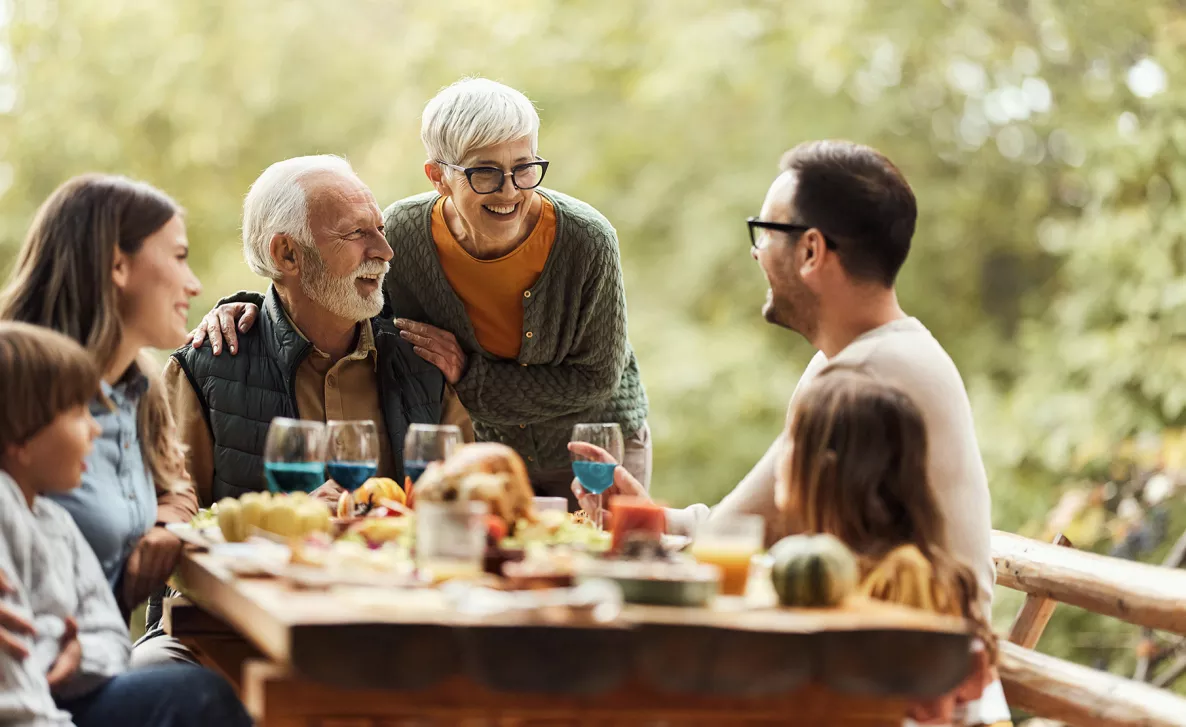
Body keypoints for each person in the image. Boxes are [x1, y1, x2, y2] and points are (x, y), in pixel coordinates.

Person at [572, 140, 995, 618]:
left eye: (764, 232)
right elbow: (750, 523)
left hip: (915, 664)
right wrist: (648, 520)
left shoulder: (868, 375)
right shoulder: (855, 358)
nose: (756, 254)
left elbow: (761, 533)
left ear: (812, 250)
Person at [190, 78, 651, 506]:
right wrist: (247, 307)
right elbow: (338, 289)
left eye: (525, 167)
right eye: (485, 172)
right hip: (482, 452)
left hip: (595, 450)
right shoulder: (406, 235)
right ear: (438, 176)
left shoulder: (587, 239)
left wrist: (470, 376)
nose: (510, 189)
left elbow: (595, 379)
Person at [165, 154, 472, 510]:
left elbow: (462, 507)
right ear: (287, 254)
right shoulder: (202, 371)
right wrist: (287, 521)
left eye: (380, 229)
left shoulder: (426, 364)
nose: (385, 252)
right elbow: (176, 521)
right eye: (356, 233)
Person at [0, 321, 252, 727]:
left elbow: (110, 633)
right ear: (21, 438)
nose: (97, 428)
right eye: (78, 412)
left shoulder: (56, 524)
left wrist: (84, 652)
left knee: (201, 693)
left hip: (64, 696)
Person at [0, 175, 201, 665]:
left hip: (95, 662)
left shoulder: (141, 390)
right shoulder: (14, 384)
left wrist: (164, 526)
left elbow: (177, 484)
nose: (193, 283)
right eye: (178, 256)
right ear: (117, 264)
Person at [777, 369, 1007, 725]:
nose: (780, 457)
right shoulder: (836, 568)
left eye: (790, 441)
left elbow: (912, 711)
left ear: (826, 469)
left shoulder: (905, 573)